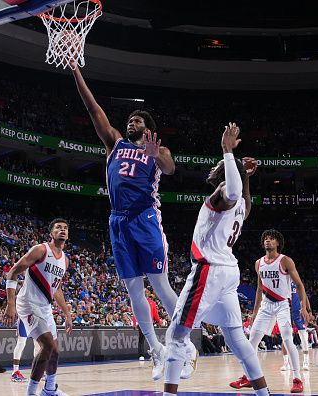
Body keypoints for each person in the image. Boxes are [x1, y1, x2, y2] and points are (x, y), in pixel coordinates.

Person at [71, 62, 196, 381]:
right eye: (129, 119)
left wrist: (157, 154)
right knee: (132, 288)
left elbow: (169, 168)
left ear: (148, 127)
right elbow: (92, 108)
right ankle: (156, 349)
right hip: (118, 222)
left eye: (137, 119)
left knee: (160, 284)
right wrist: (76, 72)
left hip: (146, 219)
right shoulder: (114, 143)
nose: (131, 122)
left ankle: (184, 343)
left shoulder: (157, 149)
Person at [162, 123, 270, 396]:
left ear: (224, 174)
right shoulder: (241, 207)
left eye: (218, 166)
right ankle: (263, 393)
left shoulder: (221, 195)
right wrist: (245, 175)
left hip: (209, 270)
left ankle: (169, 390)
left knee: (175, 335)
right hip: (228, 272)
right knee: (237, 339)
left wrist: (227, 151)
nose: (212, 170)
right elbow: (243, 196)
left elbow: (234, 192)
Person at [231, 229, 311, 393]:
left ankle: (297, 379)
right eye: (266, 238)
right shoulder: (258, 263)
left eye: (272, 239)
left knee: (288, 340)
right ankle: (248, 377)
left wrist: (303, 307)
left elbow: (300, 285)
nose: (268, 241)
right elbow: (260, 289)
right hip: (266, 306)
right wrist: (254, 312)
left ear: (278, 243)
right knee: (251, 341)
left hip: (282, 304)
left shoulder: (285, 261)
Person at [4, 218, 73, 396]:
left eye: (65, 228)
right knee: (48, 346)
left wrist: (67, 313)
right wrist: (10, 304)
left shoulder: (65, 261)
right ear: (51, 233)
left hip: (45, 307)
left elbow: (55, 288)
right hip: (27, 303)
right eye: (58, 227)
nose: (62, 230)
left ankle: (50, 389)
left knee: (55, 351)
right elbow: (13, 272)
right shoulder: (41, 250)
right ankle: (31, 392)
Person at [280, 281, 312, 372]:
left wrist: (309, 311)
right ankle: (286, 363)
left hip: (298, 313)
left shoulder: (297, 283)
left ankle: (306, 361)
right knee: (285, 337)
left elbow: (305, 297)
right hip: (285, 312)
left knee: (303, 336)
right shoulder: (281, 282)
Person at [11, 311, 42, 382]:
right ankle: (15, 372)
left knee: (37, 344)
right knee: (21, 343)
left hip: (35, 318)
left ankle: (36, 370)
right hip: (24, 317)